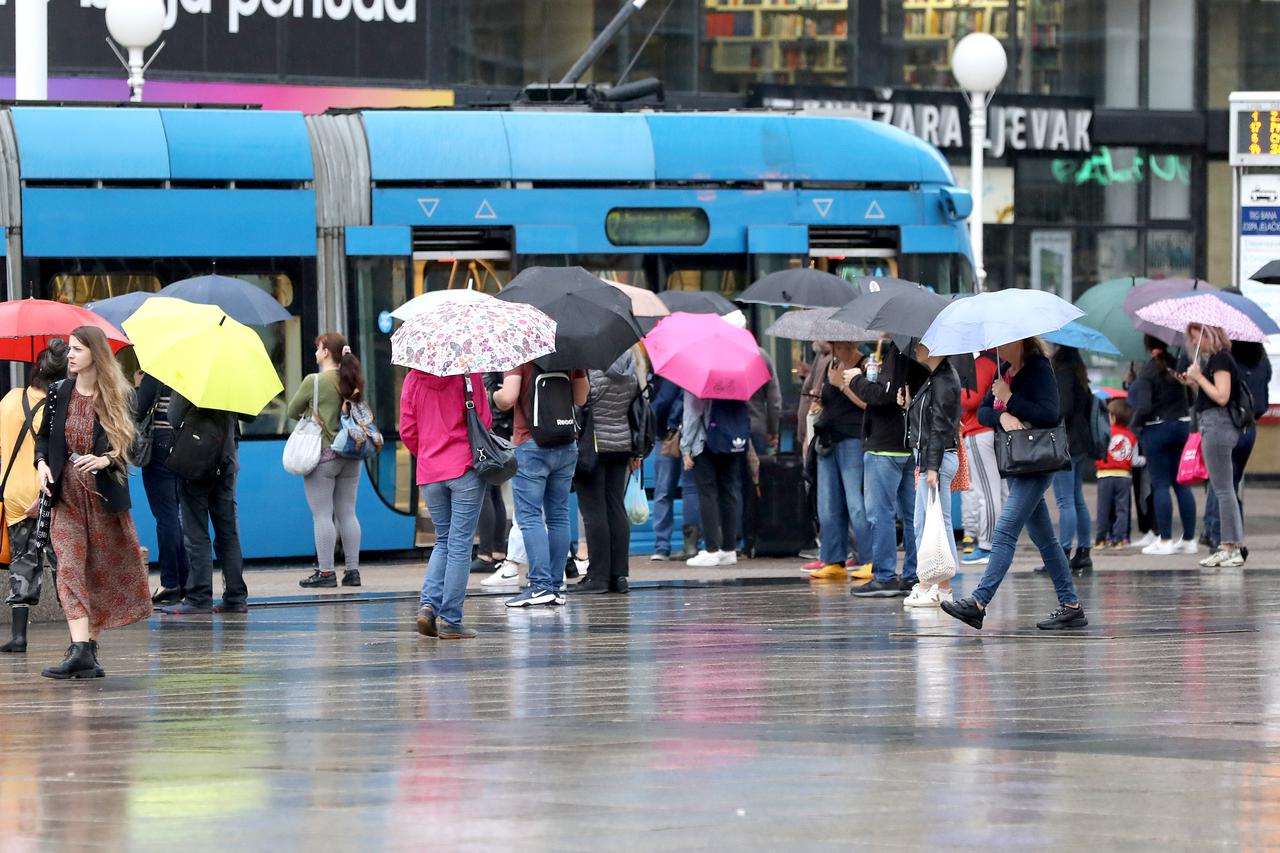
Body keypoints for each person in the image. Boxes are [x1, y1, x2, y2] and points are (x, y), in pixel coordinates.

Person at [940, 336, 1088, 631]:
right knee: (1045, 538)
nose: (999, 348)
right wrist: (1003, 414)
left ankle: (979, 602)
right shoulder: (1003, 368)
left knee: (1006, 528)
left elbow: (1050, 413)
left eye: (1005, 343)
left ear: (1021, 341)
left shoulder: (1038, 367)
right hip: (1020, 460)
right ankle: (1071, 606)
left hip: (1038, 459)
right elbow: (983, 411)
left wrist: (1010, 399)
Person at [35, 327, 151, 678]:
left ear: (94, 354)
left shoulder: (119, 394)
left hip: (102, 496)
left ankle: (88, 649)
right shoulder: (58, 392)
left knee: (97, 571)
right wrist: (41, 465)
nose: (68, 355)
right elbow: (43, 440)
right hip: (65, 493)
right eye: (69, 349)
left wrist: (106, 459)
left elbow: (136, 448)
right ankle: (80, 648)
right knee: (68, 567)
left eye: (76, 350)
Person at [402, 367, 491, 639]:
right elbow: (484, 421)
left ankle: (428, 607)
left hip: (429, 472)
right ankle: (451, 620)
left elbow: (407, 430)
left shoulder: (413, 379)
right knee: (460, 544)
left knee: (443, 540)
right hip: (464, 468)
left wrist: (429, 452)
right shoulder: (468, 375)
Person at [494, 363, 589, 607]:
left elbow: (509, 397)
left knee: (530, 517)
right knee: (558, 516)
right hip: (566, 444)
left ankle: (540, 586)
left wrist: (494, 394)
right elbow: (581, 397)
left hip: (531, 444)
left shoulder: (521, 350)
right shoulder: (570, 350)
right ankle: (555, 586)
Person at [0, 341, 66, 653]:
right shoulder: (59, 408)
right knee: (63, 563)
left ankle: (18, 637)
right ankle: (77, 638)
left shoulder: (10, 399)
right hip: (47, 495)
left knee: (22, 563)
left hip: (13, 496)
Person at [847, 337, 927, 598]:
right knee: (912, 513)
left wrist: (855, 379)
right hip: (907, 442)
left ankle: (884, 576)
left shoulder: (898, 352)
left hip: (885, 445)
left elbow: (884, 394)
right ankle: (913, 573)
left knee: (880, 513)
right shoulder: (918, 351)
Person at [158, 395, 249, 616]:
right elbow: (249, 415)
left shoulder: (192, 379)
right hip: (226, 462)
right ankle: (236, 597)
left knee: (196, 533)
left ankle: (199, 597)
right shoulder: (235, 381)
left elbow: (173, 416)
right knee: (227, 532)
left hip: (196, 460)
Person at [291, 333, 365, 589]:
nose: (315, 353)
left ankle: (326, 573)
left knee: (322, 515)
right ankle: (353, 572)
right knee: (348, 513)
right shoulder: (352, 378)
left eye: (318, 348)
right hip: (351, 455)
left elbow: (291, 410)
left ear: (325, 353)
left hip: (324, 455)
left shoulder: (314, 381)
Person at [572, 349, 642, 594]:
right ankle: (619, 575)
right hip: (621, 443)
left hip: (593, 444)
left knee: (593, 511)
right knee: (615, 507)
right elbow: (636, 400)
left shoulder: (592, 366)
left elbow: (584, 401)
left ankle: (598, 576)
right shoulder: (631, 364)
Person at [1183, 323, 1247, 568]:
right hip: (1214, 425)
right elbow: (1212, 394)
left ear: (1209, 333)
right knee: (1223, 488)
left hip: (1218, 426)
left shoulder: (1221, 359)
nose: (1196, 342)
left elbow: (1221, 396)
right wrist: (1195, 383)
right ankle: (1231, 546)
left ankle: (1229, 546)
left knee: (1222, 489)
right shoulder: (1216, 360)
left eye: (1197, 336)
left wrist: (1199, 376)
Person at [902, 341, 961, 608]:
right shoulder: (936, 378)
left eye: (922, 344)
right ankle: (930, 582)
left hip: (936, 458)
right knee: (924, 522)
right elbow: (928, 421)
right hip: (929, 458)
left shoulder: (944, 380)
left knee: (937, 522)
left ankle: (942, 586)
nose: (916, 348)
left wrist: (933, 466)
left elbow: (939, 426)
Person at [1126, 335, 1197, 556]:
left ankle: (1165, 540)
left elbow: (1144, 406)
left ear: (1147, 346)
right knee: (1182, 484)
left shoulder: (1148, 371)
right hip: (1182, 427)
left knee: (1160, 485)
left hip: (1157, 429)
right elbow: (1191, 400)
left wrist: (1134, 425)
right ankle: (1189, 539)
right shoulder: (1177, 367)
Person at [807, 340, 871, 581]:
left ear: (851, 343)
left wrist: (842, 386)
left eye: (839, 346)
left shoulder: (865, 365)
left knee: (856, 502)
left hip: (853, 438)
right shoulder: (831, 365)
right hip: (828, 439)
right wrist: (819, 400)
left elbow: (869, 403)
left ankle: (869, 557)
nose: (835, 351)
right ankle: (833, 558)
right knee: (827, 503)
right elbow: (829, 397)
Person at [1203, 339, 1269, 552]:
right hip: (1250, 424)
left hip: (1228, 422)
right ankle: (1233, 535)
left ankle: (1217, 534)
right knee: (1231, 484)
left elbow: (1221, 394)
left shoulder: (1227, 361)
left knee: (1221, 484)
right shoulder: (1261, 360)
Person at [135, 373, 189, 605]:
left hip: (160, 448)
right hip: (187, 447)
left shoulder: (158, 372)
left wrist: (139, 386)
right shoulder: (193, 372)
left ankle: (170, 582)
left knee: (166, 516)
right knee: (178, 515)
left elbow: (137, 411)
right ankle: (186, 580)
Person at [681, 390, 749, 567]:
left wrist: (686, 448)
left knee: (707, 495)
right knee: (729, 495)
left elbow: (692, 415)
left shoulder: (698, 379)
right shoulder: (735, 377)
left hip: (705, 444)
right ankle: (729, 549)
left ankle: (711, 549)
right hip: (731, 442)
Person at [1049, 345, 1095, 574]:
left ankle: (1063, 554)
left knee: (1065, 500)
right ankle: (1084, 552)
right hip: (1079, 440)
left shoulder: (1062, 371)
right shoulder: (1079, 371)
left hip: (1065, 442)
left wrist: (1048, 411)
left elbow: (1062, 407)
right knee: (1076, 499)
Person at [960, 349, 1002, 566]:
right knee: (997, 491)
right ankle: (998, 544)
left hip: (978, 430)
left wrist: (957, 390)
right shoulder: (999, 362)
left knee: (986, 492)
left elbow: (971, 400)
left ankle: (987, 545)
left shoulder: (982, 364)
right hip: (992, 432)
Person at [473, 372, 513, 583]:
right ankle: (498, 550)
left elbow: (486, 397)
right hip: (501, 431)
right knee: (495, 490)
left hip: (488, 431)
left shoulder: (485, 366)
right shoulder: (501, 362)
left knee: (486, 490)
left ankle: (485, 554)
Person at [1095, 398, 1137, 548]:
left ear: (1111, 417)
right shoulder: (1131, 436)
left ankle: (1101, 539)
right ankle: (1120, 539)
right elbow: (1135, 458)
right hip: (1124, 476)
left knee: (1103, 509)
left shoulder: (1105, 432)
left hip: (1105, 476)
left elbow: (1098, 451)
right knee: (1122, 509)